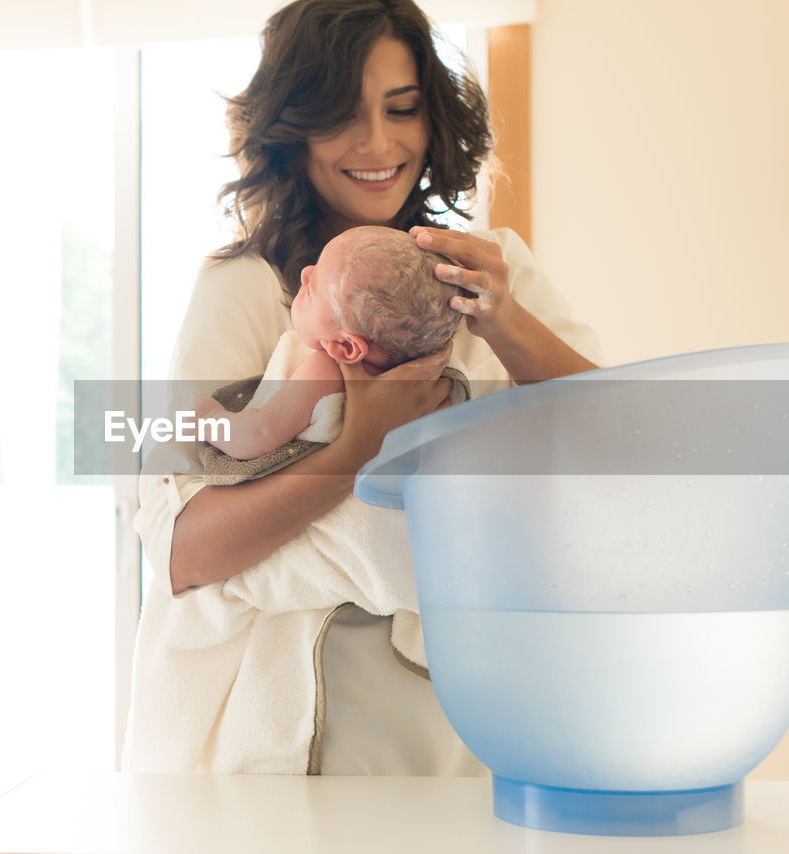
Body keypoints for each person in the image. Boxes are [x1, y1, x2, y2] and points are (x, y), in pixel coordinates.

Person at [124, 0, 603, 776]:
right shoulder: (243, 289)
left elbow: (615, 444)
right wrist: (357, 450)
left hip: (470, 720)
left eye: (402, 108)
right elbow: (183, 549)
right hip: (284, 747)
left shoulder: (493, 269)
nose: (379, 144)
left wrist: (507, 321)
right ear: (292, 125)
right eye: (342, 114)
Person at [192, 225, 462, 461]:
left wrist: (209, 418)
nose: (305, 273)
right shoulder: (438, 374)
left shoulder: (327, 370)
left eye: (314, 287)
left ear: (347, 348)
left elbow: (258, 435)